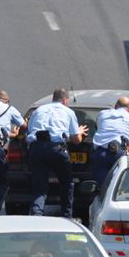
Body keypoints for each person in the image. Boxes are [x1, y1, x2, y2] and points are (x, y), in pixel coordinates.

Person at [27, 88, 89, 218]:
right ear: (65, 100)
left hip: (36, 148)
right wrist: (79, 132)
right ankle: (66, 216)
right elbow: (76, 140)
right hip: (56, 149)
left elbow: (29, 131)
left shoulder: (38, 110)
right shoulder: (68, 112)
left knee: (40, 186)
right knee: (66, 183)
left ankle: (36, 215)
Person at [91, 97, 129, 187]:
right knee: (120, 186)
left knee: (102, 187)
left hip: (100, 153)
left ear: (115, 106)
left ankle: (102, 196)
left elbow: (98, 127)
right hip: (119, 154)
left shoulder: (102, 114)